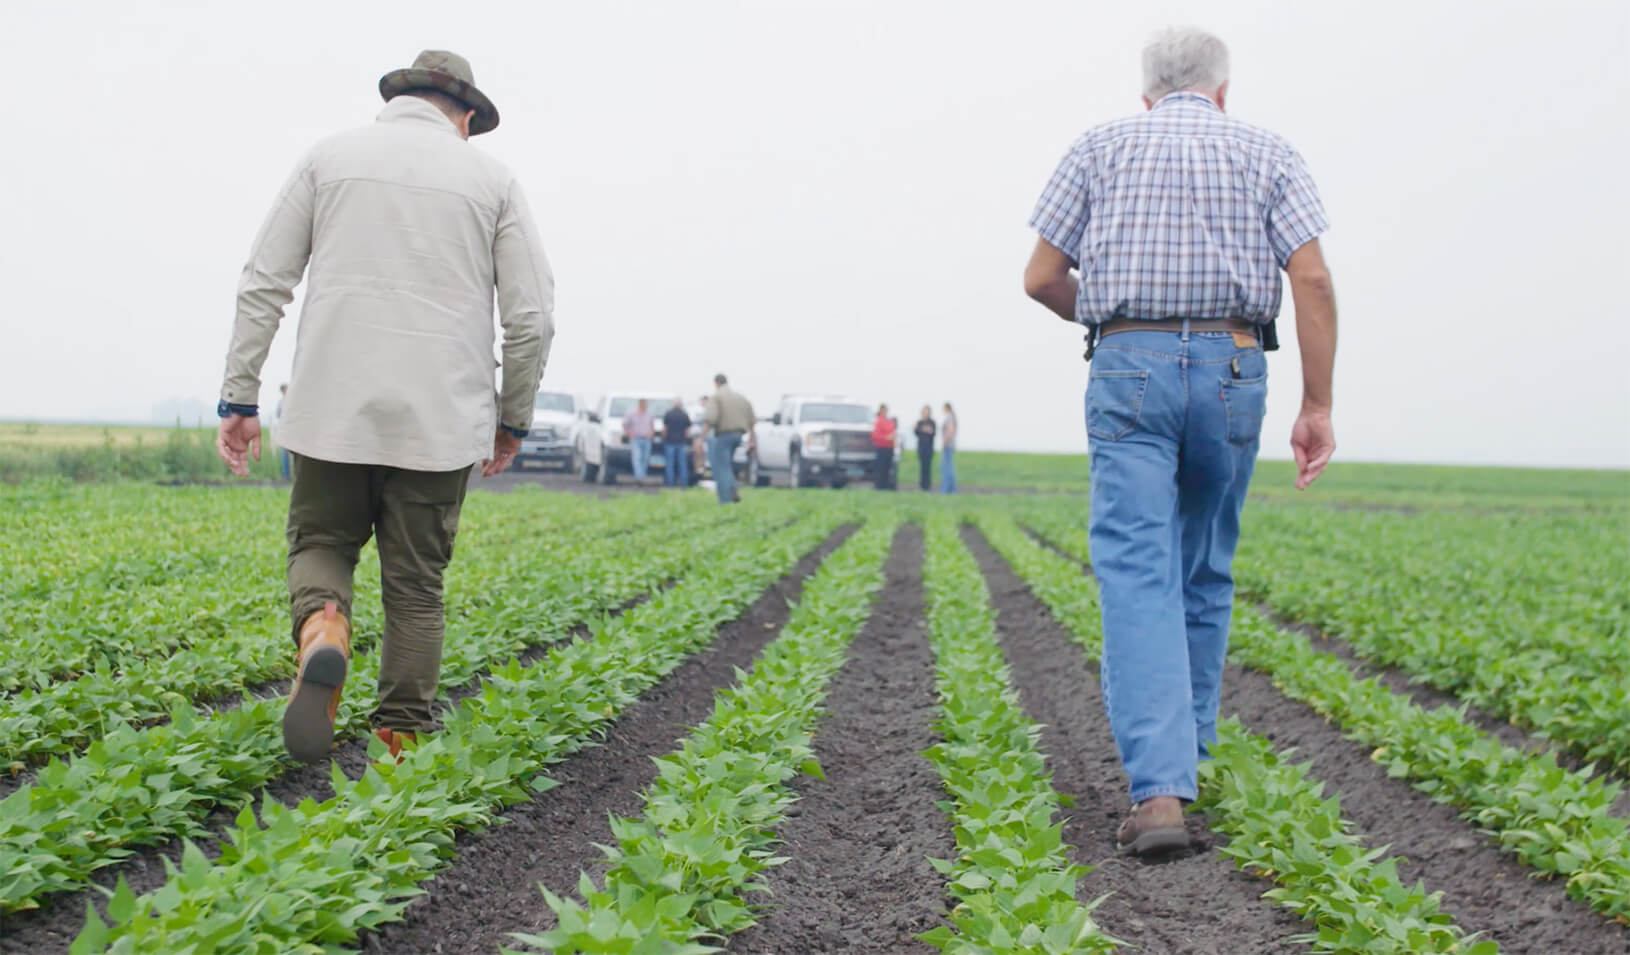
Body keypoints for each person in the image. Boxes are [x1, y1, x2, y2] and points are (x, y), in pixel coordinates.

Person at [1022, 27, 1336, 855]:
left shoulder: (1099, 145)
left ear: (1146, 94)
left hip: (1130, 366)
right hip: (1235, 366)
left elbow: (1040, 278)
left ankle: (1160, 791)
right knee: (1204, 566)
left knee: (1137, 573)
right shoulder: (1267, 151)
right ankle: (1185, 759)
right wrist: (1317, 403)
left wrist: (1105, 316)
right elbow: (1310, 276)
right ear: (1223, 92)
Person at [214, 50, 555, 762]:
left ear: (400, 99)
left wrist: (240, 395)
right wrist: (511, 420)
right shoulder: (491, 181)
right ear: (464, 115)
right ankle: (399, 737)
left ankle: (324, 627)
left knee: (321, 545)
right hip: (438, 422)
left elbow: (262, 282)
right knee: (416, 587)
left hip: (329, 410)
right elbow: (531, 319)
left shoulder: (328, 158)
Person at [703, 374, 755, 504]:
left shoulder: (717, 397)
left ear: (716, 383)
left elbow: (711, 418)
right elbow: (751, 420)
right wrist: (752, 440)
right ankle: (733, 487)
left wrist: (701, 437)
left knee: (721, 468)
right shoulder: (740, 397)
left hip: (724, 436)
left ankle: (725, 499)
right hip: (739, 436)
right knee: (727, 465)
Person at [622, 398, 655, 481]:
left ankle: (642, 476)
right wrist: (629, 434)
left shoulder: (649, 415)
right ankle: (638, 477)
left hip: (646, 439)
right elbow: (625, 424)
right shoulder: (632, 414)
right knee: (637, 457)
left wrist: (651, 433)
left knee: (645, 458)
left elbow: (652, 425)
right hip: (636, 439)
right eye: (644, 404)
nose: (646, 406)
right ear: (640, 404)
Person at [662, 398, 692, 487]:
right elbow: (687, 430)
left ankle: (669, 484)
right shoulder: (684, 415)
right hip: (681, 442)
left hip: (669, 442)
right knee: (682, 464)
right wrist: (685, 439)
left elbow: (665, 429)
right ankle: (683, 484)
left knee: (669, 464)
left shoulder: (668, 414)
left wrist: (663, 438)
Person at [870, 405, 896, 490]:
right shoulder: (878, 421)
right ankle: (879, 486)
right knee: (880, 468)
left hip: (889, 447)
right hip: (881, 447)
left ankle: (885, 485)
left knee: (887, 468)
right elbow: (875, 435)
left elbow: (893, 431)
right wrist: (885, 437)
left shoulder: (889, 421)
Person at [913, 406, 937, 491]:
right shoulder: (920, 422)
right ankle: (922, 485)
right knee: (922, 467)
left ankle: (927, 485)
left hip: (929, 448)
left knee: (927, 467)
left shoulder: (932, 422)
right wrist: (924, 430)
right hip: (921, 448)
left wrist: (923, 430)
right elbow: (916, 431)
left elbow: (932, 432)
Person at [274, 383, 292, 481]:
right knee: (284, 454)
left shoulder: (289, 401)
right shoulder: (282, 402)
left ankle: (289, 475)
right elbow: (277, 414)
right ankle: (286, 475)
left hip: (290, 431)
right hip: (285, 431)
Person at [939, 402, 958, 494]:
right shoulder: (952, 417)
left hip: (947, 446)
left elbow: (949, 431)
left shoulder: (949, 417)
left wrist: (944, 442)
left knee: (946, 468)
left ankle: (946, 489)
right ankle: (951, 489)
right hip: (950, 445)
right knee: (949, 467)